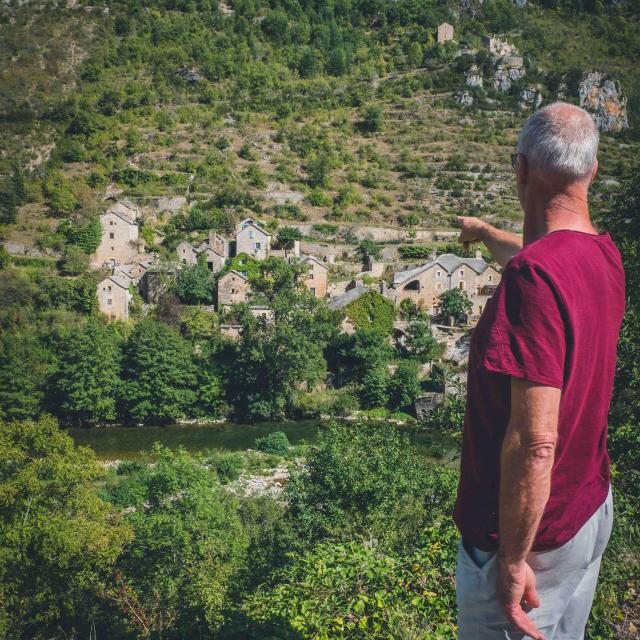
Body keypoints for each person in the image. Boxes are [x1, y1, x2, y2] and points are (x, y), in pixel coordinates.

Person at [454, 102, 625, 640]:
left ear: (519, 168)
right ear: (591, 171)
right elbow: (540, 256)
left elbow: (534, 442)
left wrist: (511, 559)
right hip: (587, 513)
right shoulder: (602, 255)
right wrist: (485, 233)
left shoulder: (532, 280)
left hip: (533, 546)